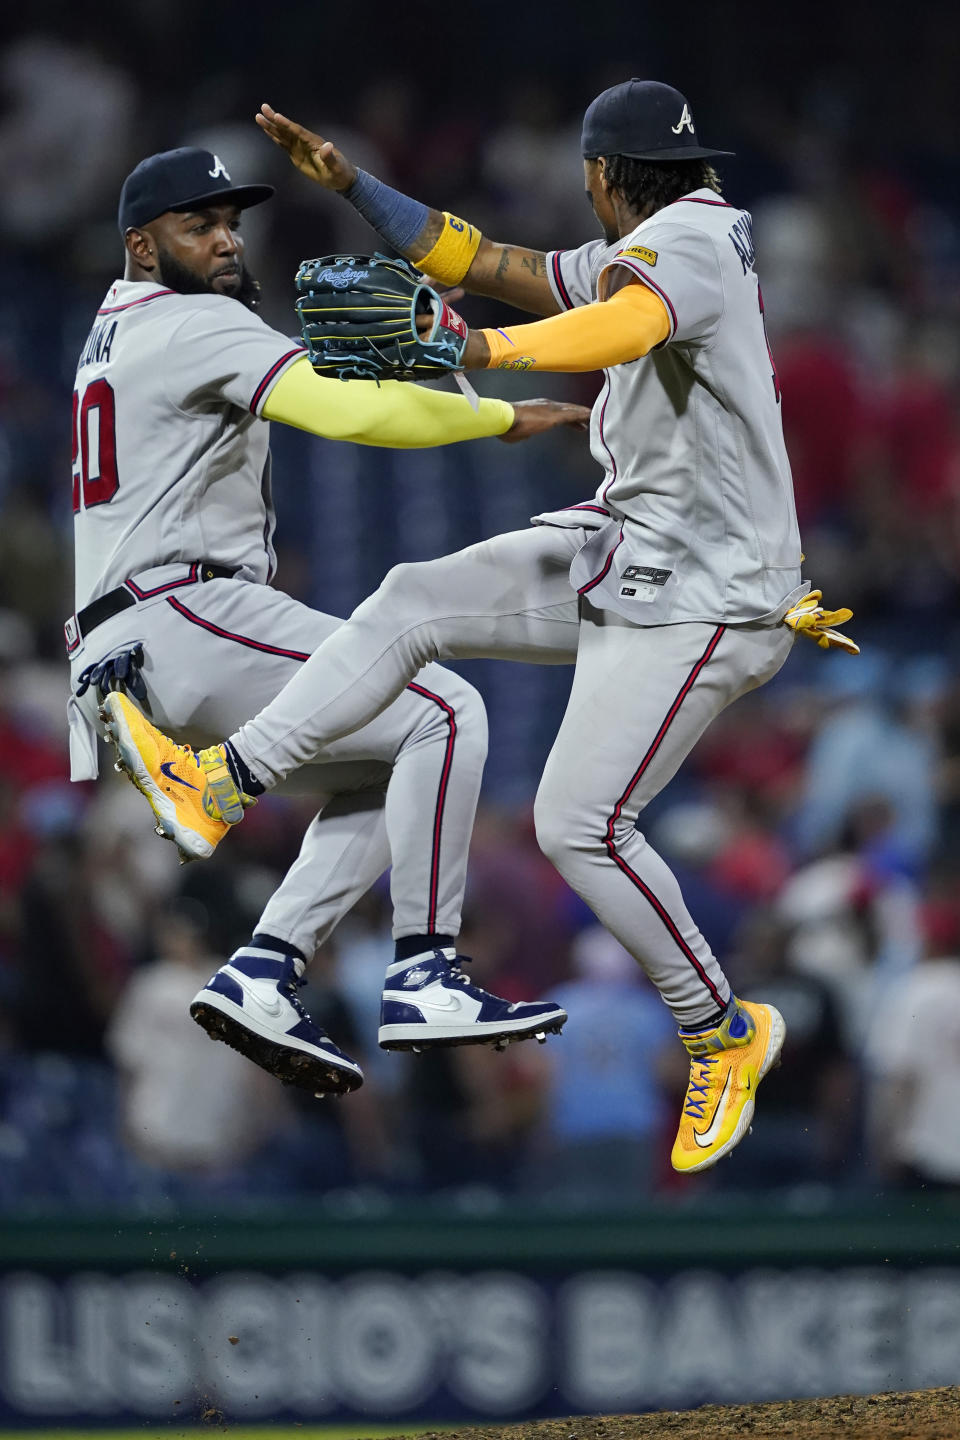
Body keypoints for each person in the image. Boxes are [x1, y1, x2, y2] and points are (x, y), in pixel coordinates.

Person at [105, 82, 857, 1172]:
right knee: (413, 597)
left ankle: (723, 1032)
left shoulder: (687, 246)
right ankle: (222, 782)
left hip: (711, 593)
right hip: (630, 550)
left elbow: (626, 324)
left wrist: (482, 353)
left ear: (601, 176)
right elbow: (489, 261)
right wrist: (356, 186)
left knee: (578, 825)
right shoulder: (660, 233)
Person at [70, 145, 587, 1099]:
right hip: (185, 610)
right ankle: (426, 969)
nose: (225, 240)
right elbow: (341, 412)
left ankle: (266, 966)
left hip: (128, 645)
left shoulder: (114, 332)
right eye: (198, 225)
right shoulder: (191, 324)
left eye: (230, 221)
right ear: (141, 246)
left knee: (393, 757)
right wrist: (491, 419)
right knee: (442, 707)